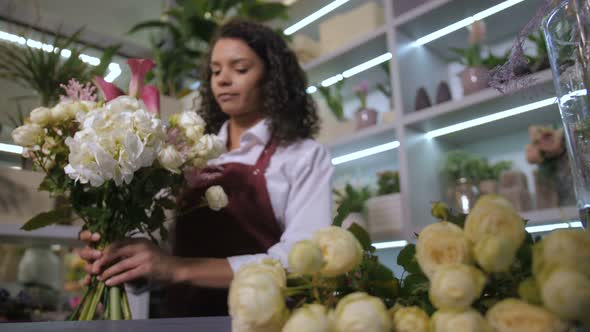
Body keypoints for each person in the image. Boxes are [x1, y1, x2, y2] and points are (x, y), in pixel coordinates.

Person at [78, 19, 334, 317]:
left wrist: (178, 269)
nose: (222, 79)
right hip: (181, 318)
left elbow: (301, 260)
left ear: (272, 77)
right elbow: (161, 250)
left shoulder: (302, 156)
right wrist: (125, 261)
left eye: (240, 69)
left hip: (261, 320)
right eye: (215, 70)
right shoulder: (190, 154)